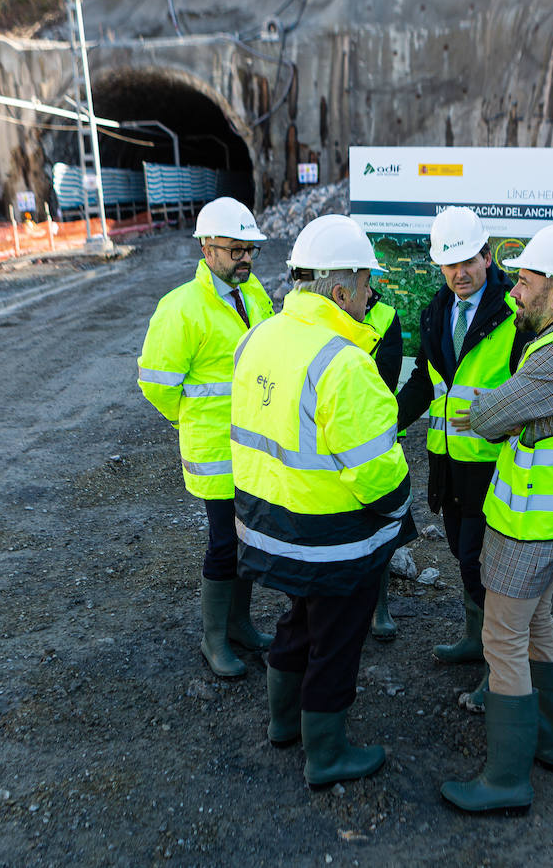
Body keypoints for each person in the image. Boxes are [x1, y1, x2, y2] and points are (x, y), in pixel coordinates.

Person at [230, 214, 415, 789]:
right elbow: (378, 473)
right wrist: (399, 511)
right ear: (340, 290)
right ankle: (327, 756)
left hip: (268, 525)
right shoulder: (345, 363)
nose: (370, 296)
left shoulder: (259, 336)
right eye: (365, 285)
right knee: (336, 642)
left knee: (297, 624)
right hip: (331, 539)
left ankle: (283, 725)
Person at [440, 224, 553, 815]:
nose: (515, 290)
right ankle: (550, 743)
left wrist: (468, 406)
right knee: (539, 625)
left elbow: (490, 417)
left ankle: (506, 779)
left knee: (503, 639)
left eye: (525, 281)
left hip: (530, 525)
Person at [397, 206, 528, 710]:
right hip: (447, 462)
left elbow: (527, 390)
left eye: (468, 261)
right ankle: (476, 641)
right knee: (460, 554)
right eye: (450, 265)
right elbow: (424, 383)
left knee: (480, 565)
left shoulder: (514, 314)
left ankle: (500, 670)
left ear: (486, 254)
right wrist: (385, 423)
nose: (460, 273)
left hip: (496, 466)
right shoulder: (437, 310)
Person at [137, 197, 275, 679]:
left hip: (256, 449)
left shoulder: (254, 295)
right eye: (234, 249)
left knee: (248, 542)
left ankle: (239, 625)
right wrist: (188, 421)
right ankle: (213, 638)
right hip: (216, 454)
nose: (244, 258)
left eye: (249, 250)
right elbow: (156, 383)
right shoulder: (182, 308)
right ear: (205, 249)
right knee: (222, 544)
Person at [362, 287, 405, 641]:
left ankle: (379, 607)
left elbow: (384, 383)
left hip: (372, 432)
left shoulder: (386, 316)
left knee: (378, 520)